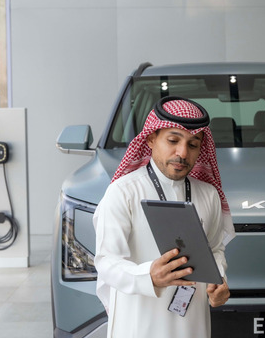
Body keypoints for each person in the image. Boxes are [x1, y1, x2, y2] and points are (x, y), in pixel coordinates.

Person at [93, 96, 235, 338]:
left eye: (193, 144)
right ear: (150, 139)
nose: (182, 152)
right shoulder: (124, 192)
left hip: (192, 324)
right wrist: (148, 276)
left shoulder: (208, 194)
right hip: (138, 322)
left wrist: (219, 279)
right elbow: (106, 261)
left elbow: (215, 250)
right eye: (173, 140)